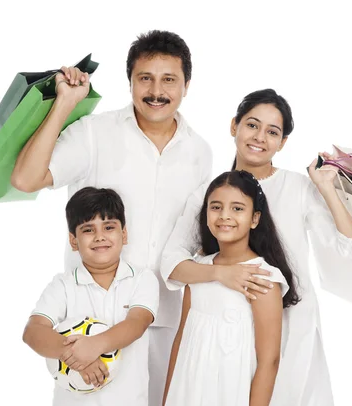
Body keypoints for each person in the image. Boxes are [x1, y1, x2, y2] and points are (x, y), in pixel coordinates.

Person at [11, 30, 212, 405]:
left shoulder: (200, 152)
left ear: (187, 84)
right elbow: (25, 180)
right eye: (144, 78)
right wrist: (65, 105)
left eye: (169, 79)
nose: (156, 90)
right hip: (89, 318)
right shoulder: (94, 133)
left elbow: (197, 240)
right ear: (130, 82)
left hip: (165, 315)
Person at [161, 89, 352, 405]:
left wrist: (325, 188)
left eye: (272, 132)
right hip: (227, 331)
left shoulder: (298, 188)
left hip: (291, 327)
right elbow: (172, 263)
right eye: (252, 125)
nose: (260, 137)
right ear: (234, 126)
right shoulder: (210, 193)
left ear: (282, 142)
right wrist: (224, 274)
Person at [163, 170, 300, 406]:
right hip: (187, 390)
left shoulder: (261, 276)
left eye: (237, 208)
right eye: (215, 207)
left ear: (255, 218)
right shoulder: (198, 270)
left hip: (228, 391)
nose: (225, 215)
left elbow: (269, 361)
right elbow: (180, 340)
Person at [23, 187, 159, 405]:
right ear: (74, 241)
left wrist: (96, 345)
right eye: (88, 230)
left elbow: (137, 323)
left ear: (124, 234)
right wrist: (77, 357)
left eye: (109, 227)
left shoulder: (142, 279)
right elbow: (33, 332)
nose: (99, 237)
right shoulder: (63, 285)